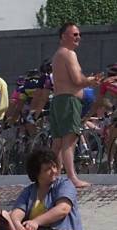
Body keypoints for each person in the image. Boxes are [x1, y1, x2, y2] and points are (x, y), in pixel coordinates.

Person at [51, 22, 102, 188]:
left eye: (79, 34)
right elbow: (77, 80)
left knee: (58, 142)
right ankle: (72, 177)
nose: (78, 37)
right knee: (69, 140)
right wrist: (92, 81)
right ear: (63, 37)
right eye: (74, 34)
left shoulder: (58, 54)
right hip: (69, 101)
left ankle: (55, 175)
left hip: (59, 100)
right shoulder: (68, 54)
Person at [10, 150, 87, 230]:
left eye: (54, 166)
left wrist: (36, 222)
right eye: (48, 169)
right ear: (37, 173)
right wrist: (16, 223)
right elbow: (18, 211)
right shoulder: (29, 191)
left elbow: (63, 209)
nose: (54, 171)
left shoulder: (64, 184)